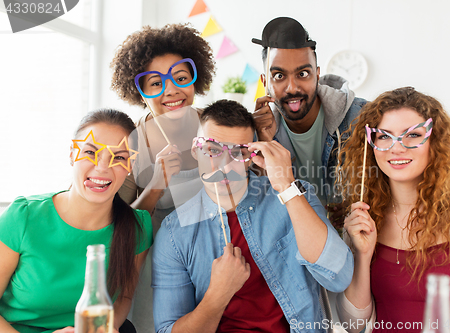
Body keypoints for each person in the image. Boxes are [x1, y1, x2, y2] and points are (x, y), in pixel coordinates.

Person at [152, 99, 354, 333]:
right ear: (196, 151)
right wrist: (218, 294)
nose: (225, 166)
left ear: (252, 156)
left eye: (238, 153)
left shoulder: (296, 194)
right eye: (213, 150)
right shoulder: (174, 232)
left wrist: (287, 188)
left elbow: (339, 277)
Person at [334, 87, 450, 333]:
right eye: (383, 136)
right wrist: (362, 255)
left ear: (436, 141)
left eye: (412, 135)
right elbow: (353, 325)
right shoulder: (362, 218)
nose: (397, 147)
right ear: (371, 144)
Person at [0, 109, 153, 333]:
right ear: (72, 154)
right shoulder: (23, 216)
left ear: (131, 165)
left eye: (119, 157)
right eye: (91, 152)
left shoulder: (138, 227)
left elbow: (123, 299)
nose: (102, 167)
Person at [110, 24, 216, 332]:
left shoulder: (215, 127)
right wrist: (156, 185)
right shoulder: (129, 143)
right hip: (154, 277)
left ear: (196, 81)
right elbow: (120, 226)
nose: (170, 91)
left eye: (181, 78)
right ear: (139, 92)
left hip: (212, 266)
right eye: (155, 83)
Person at [252, 17, 367, 206]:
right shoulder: (253, 135)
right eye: (279, 76)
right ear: (265, 83)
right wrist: (265, 143)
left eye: (303, 74)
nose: (292, 88)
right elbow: (262, 210)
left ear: (317, 74)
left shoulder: (362, 117)